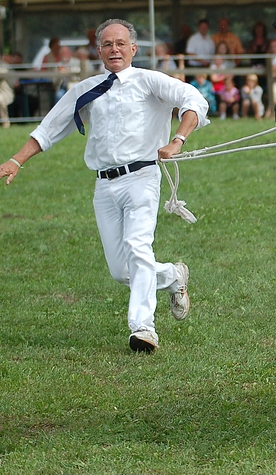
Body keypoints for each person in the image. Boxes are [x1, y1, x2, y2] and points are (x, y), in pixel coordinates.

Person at [0, 18, 209, 353]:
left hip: (142, 178)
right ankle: (172, 276)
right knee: (121, 269)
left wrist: (178, 140)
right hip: (104, 186)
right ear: (99, 50)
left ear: (133, 49)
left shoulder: (149, 81)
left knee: (139, 250)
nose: (115, 49)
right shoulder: (86, 90)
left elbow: (194, 100)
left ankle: (144, 328)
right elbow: (49, 128)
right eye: (108, 44)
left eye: (121, 43)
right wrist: (16, 160)